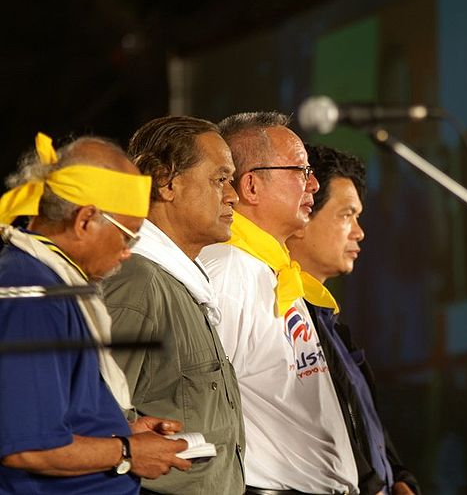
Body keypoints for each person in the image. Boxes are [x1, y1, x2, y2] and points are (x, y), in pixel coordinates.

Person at [0, 133, 190, 493]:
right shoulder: (32, 294)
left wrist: (117, 430)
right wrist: (127, 450)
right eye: (128, 236)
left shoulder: (52, 280)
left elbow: (57, 417)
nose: (128, 253)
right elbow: (27, 447)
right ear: (86, 219)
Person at [198, 112, 361, 494]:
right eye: (301, 170)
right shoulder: (227, 271)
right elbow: (199, 408)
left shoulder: (269, 269)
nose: (314, 183)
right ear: (251, 186)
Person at [102, 116, 246, 494]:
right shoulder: (136, 282)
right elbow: (97, 422)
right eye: (220, 179)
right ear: (166, 182)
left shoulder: (183, 282)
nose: (233, 195)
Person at [286, 144, 420, 495]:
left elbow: (363, 420)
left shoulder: (329, 321)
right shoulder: (280, 314)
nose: (359, 232)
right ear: (302, 216)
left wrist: (400, 477)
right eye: (346, 215)